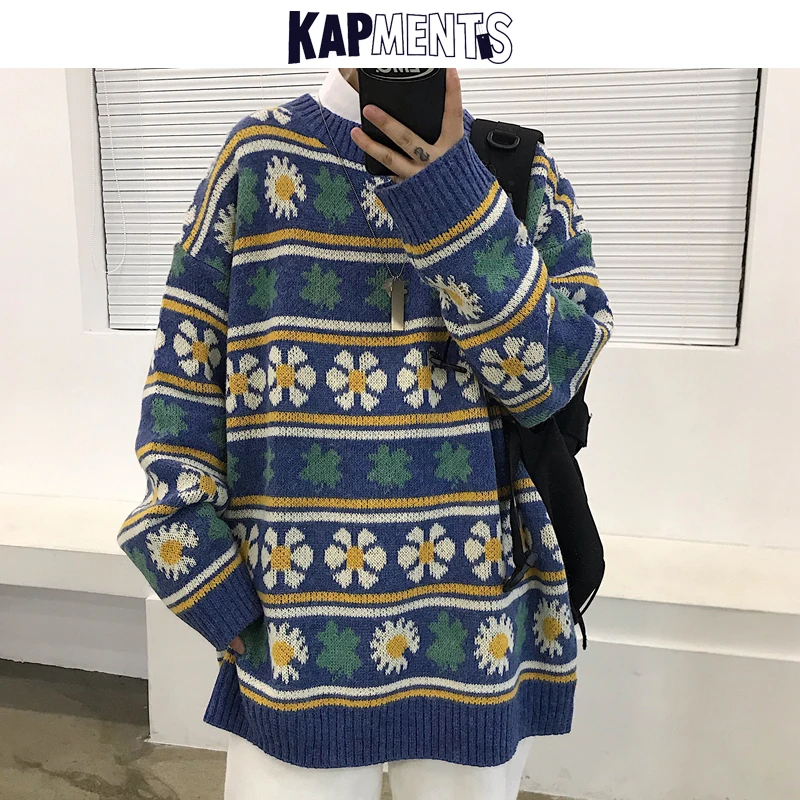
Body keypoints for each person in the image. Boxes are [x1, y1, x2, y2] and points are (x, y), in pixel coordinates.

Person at [117, 66, 614, 800]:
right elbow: (184, 380)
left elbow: (553, 379)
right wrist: (204, 578)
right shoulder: (257, 161)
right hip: (294, 631)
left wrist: (457, 203)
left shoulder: (518, 171)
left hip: (477, 627)